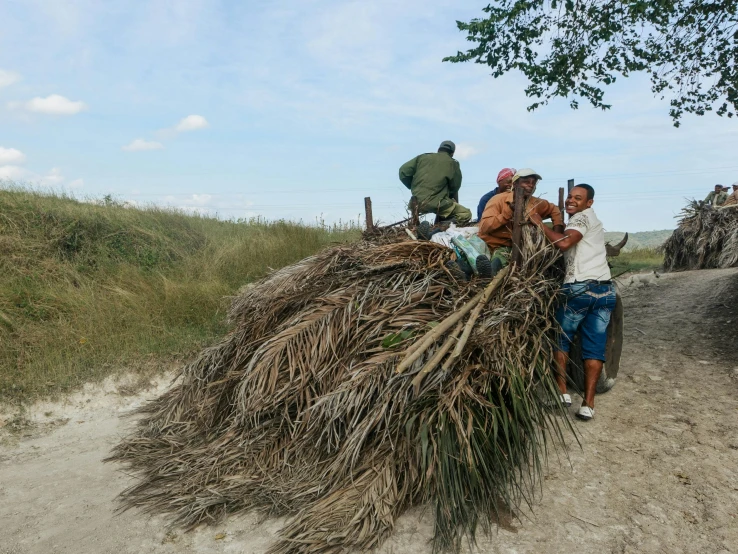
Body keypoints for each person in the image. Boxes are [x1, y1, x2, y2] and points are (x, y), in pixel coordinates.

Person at [528, 184, 614, 421]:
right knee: (594, 348)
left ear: (589, 203)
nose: (571, 201)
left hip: (579, 290)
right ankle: (588, 404)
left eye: (578, 198)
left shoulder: (580, 219)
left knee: (561, 340)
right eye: (569, 197)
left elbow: (564, 243)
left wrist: (539, 223)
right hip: (604, 291)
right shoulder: (593, 220)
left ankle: (562, 392)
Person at [478, 168, 564, 277]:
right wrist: (507, 213)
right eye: (526, 182)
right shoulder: (498, 200)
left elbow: (554, 209)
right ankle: (487, 272)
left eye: (533, 183)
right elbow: (485, 227)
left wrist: (558, 230)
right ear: (515, 184)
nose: (531, 185)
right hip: (498, 244)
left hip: (521, 247)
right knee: (499, 257)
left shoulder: (535, 202)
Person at [399, 141, 472, 231]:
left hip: (417, 201)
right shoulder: (452, 163)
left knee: (435, 204)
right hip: (439, 203)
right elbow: (455, 187)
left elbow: (403, 172)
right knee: (465, 213)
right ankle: (439, 227)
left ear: (438, 150)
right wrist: (448, 195)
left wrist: (413, 186)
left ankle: (417, 227)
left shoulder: (422, 157)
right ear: (452, 153)